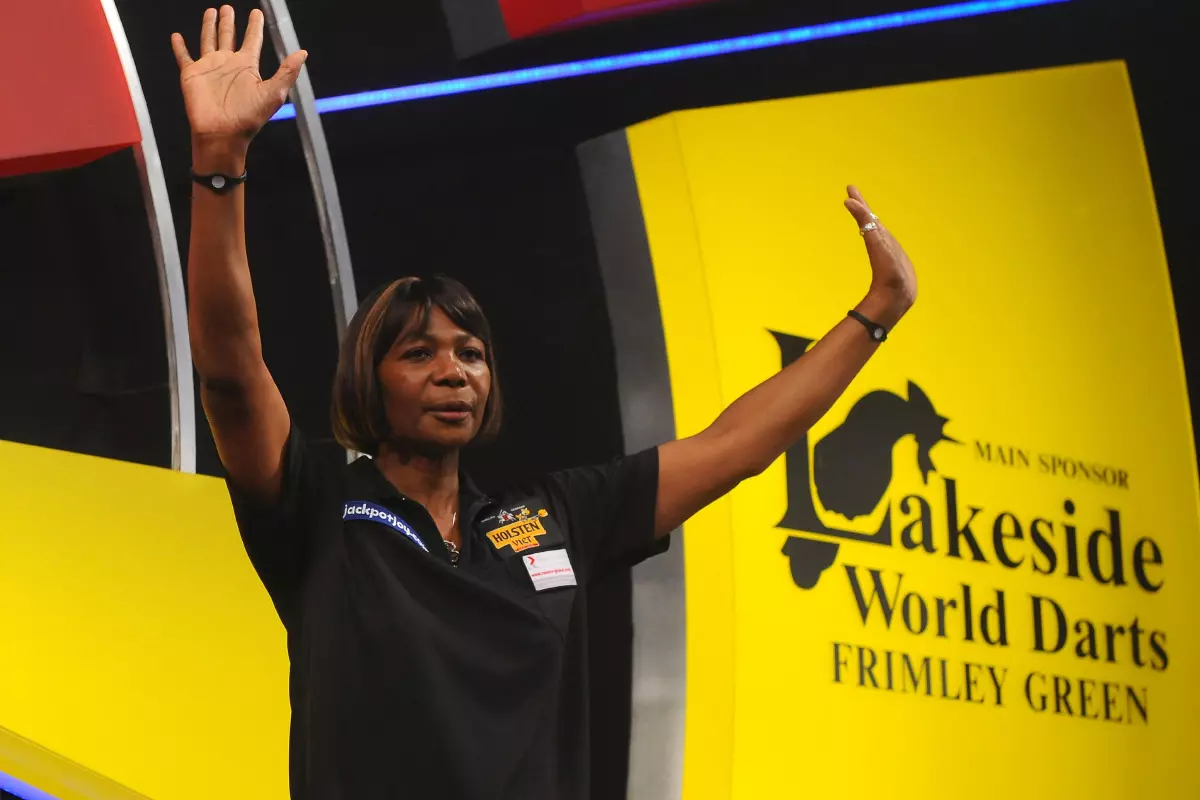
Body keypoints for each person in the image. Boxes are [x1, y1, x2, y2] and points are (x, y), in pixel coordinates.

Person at [172, 6, 918, 799]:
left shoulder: (554, 516)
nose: (454, 372)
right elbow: (230, 368)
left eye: (471, 353)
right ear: (367, 378)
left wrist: (875, 316)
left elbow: (735, 445)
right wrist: (220, 163)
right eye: (419, 353)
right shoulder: (319, 503)